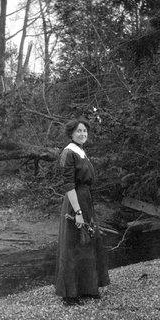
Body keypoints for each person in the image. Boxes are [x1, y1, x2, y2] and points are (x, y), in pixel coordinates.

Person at [55, 117, 110, 306]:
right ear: (71, 133)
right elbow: (68, 184)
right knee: (73, 245)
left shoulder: (81, 152)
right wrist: (77, 211)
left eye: (85, 131)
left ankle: (87, 288)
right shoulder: (68, 153)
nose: (82, 134)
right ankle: (70, 295)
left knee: (87, 242)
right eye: (79, 131)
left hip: (85, 199)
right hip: (74, 201)